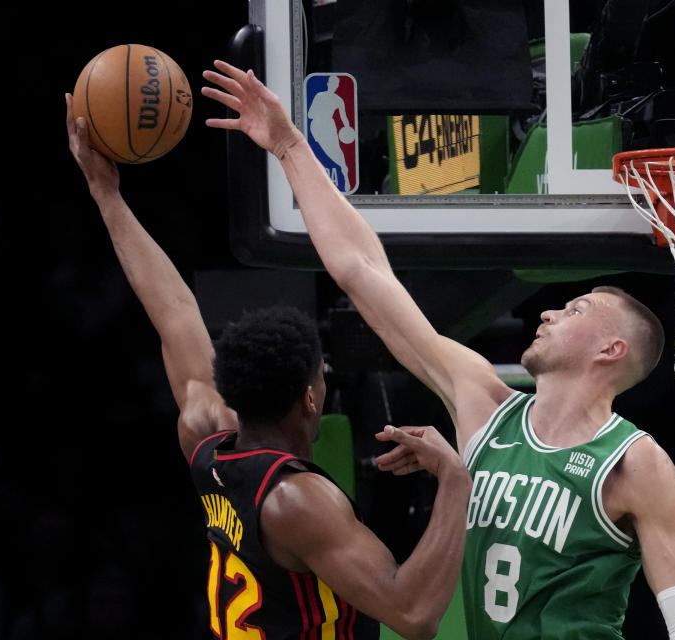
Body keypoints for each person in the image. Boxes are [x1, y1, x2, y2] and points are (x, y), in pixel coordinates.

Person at [200, 60, 675, 640]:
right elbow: (363, 269)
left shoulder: (635, 461)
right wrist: (290, 145)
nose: (548, 311)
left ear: (611, 349)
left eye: (574, 310)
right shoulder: (482, 403)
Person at [65, 93, 472, 640]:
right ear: (308, 397)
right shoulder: (298, 502)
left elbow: (176, 314)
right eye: (321, 373)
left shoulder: (206, 439)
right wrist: (455, 479)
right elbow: (413, 614)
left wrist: (106, 194)